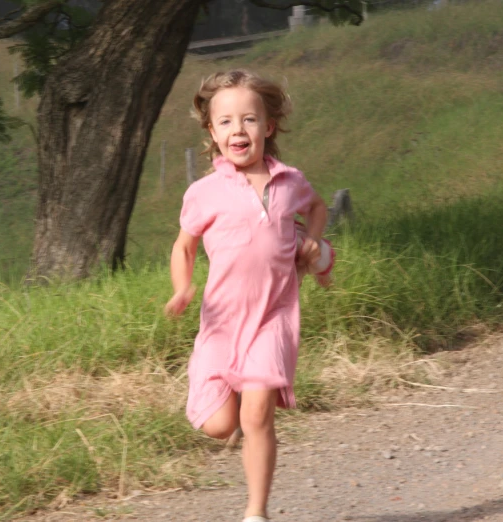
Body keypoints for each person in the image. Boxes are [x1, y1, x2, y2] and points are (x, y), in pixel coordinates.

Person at [165, 69, 329, 522]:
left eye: (250, 120)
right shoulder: (203, 193)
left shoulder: (289, 181)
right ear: (212, 132)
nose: (238, 129)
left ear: (268, 126)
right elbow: (184, 246)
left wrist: (313, 241)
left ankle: (256, 512)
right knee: (221, 426)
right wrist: (182, 287)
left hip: (274, 315)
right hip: (221, 321)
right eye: (226, 122)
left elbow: (317, 206)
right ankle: (228, 413)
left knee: (257, 415)